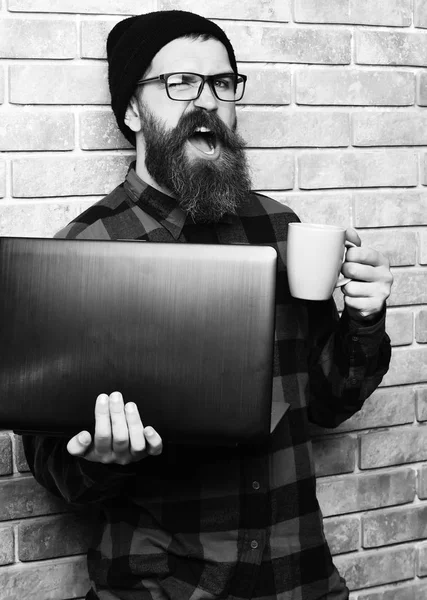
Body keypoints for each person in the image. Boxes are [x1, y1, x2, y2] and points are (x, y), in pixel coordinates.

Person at [22, 10, 393, 600]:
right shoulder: (86, 249)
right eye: (180, 84)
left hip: (300, 580)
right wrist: (102, 458)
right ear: (131, 111)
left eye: (222, 83)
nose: (207, 102)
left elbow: (324, 403)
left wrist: (364, 320)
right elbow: (52, 468)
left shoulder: (281, 229)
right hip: (162, 588)